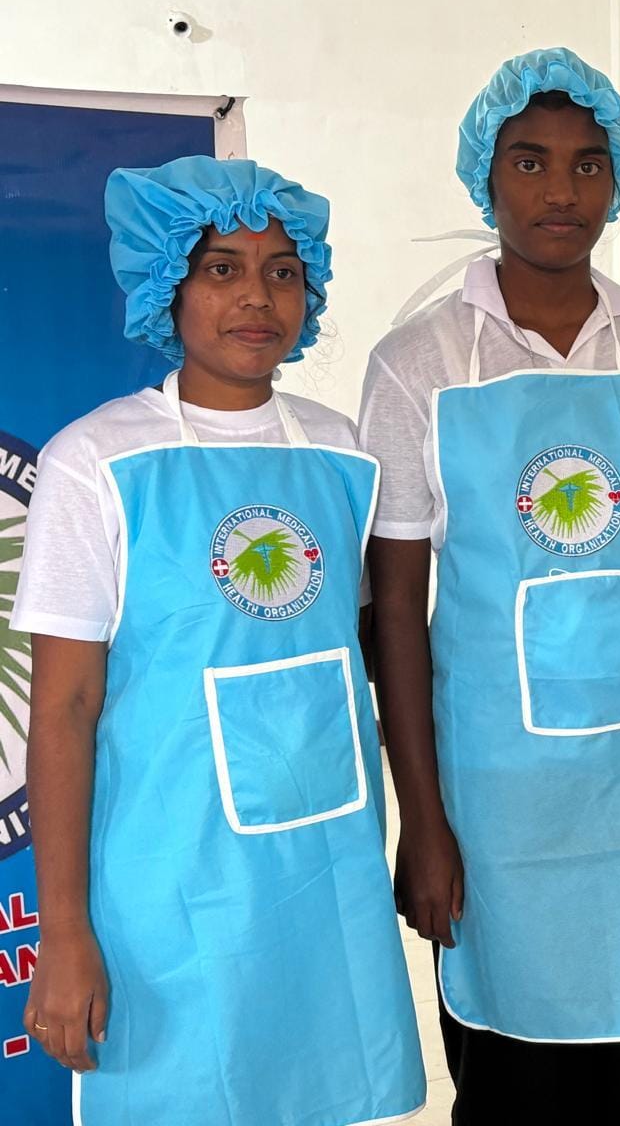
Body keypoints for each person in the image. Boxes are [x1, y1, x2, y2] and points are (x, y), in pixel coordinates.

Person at [359, 47, 620, 1124]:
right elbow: (395, 606)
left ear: (618, 180)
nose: (560, 191)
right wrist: (423, 821)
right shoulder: (418, 363)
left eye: (586, 165)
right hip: (500, 806)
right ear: (484, 179)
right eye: (529, 163)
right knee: (515, 1082)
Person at [13, 156, 426, 1123]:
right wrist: (64, 928)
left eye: (283, 270)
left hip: (323, 877)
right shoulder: (99, 463)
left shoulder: (344, 457)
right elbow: (64, 712)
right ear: (170, 286)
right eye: (222, 268)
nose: (257, 296)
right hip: (170, 889)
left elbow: (360, 660)